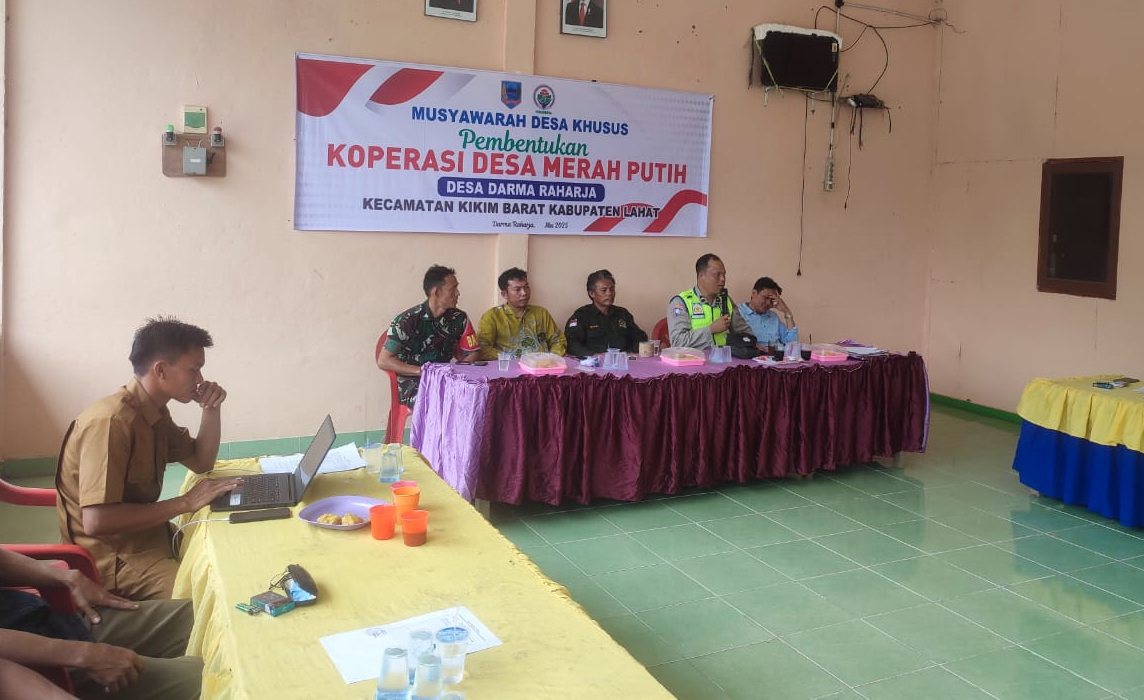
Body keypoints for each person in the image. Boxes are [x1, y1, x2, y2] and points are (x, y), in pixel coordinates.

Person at [55, 317, 241, 602]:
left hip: (149, 537)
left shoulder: (154, 412)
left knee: (229, 553)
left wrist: (211, 408)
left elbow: (201, 461)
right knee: (215, 597)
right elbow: (96, 521)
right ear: (161, 370)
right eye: (193, 370)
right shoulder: (111, 422)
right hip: (114, 561)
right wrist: (185, 502)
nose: (200, 380)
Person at [0, 545, 202, 700]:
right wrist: (83, 655)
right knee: (205, 681)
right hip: (38, 664)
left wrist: (67, 577)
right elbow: (96, 521)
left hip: (43, 618)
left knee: (203, 616)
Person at [376, 265, 480, 407]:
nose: (458, 293)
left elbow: (473, 352)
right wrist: (422, 372)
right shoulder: (408, 321)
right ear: (436, 292)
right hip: (414, 382)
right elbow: (384, 360)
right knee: (439, 402)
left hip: (447, 378)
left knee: (477, 397)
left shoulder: (459, 318)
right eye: (453, 289)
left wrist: (458, 370)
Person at [667, 253, 753, 350]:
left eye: (724, 274)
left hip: (725, 357)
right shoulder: (681, 302)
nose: (722, 279)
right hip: (695, 358)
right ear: (701, 276)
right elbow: (677, 342)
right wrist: (710, 329)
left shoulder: (726, 299)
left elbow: (744, 331)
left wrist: (752, 342)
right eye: (717, 275)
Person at [477, 268, 567, 359]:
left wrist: (551, 359)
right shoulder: (492, 316)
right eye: (517, 289)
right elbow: (483, 348)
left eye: (526, 287)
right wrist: (512, 358)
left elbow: (558, 339)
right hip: (510, 366)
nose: (524, 293)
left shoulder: (541, 313)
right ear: (504, 294)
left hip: (543, 365)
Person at [564, 270, 647, 357]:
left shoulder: (622, 313)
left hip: (623, 360)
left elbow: (640, 337)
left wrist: (631, 352)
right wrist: (594, 355)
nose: (609, 293)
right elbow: (571, 343)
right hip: (594, 362)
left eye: (612, 289)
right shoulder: (581, 316)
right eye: (604, 290)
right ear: (592, 293)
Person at [739, 276, 799, 349]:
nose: (768, 303)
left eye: (771, 299)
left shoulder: (773, 316)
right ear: (754, 293)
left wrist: (786, 311)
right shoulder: (738, 313)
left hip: (775, 354)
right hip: (752, 354)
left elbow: (792, 344)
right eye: (766, 297)